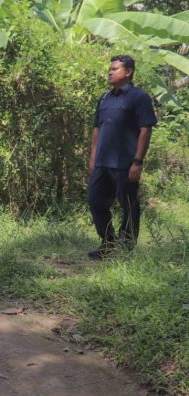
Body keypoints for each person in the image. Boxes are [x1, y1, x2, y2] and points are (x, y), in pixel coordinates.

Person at [87, 55, 157, 260]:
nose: (110, 72)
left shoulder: (139, 97)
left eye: (115, 69)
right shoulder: (105, 98)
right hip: (102, 162)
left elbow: (145, 130)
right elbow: (96, 129)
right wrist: (93, 157)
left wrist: (138, 161)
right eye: (109, 68)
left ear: (128, 72)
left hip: (126, 163)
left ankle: (126, 250)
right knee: (96, 201)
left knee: (128, 205)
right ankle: (108, 243)